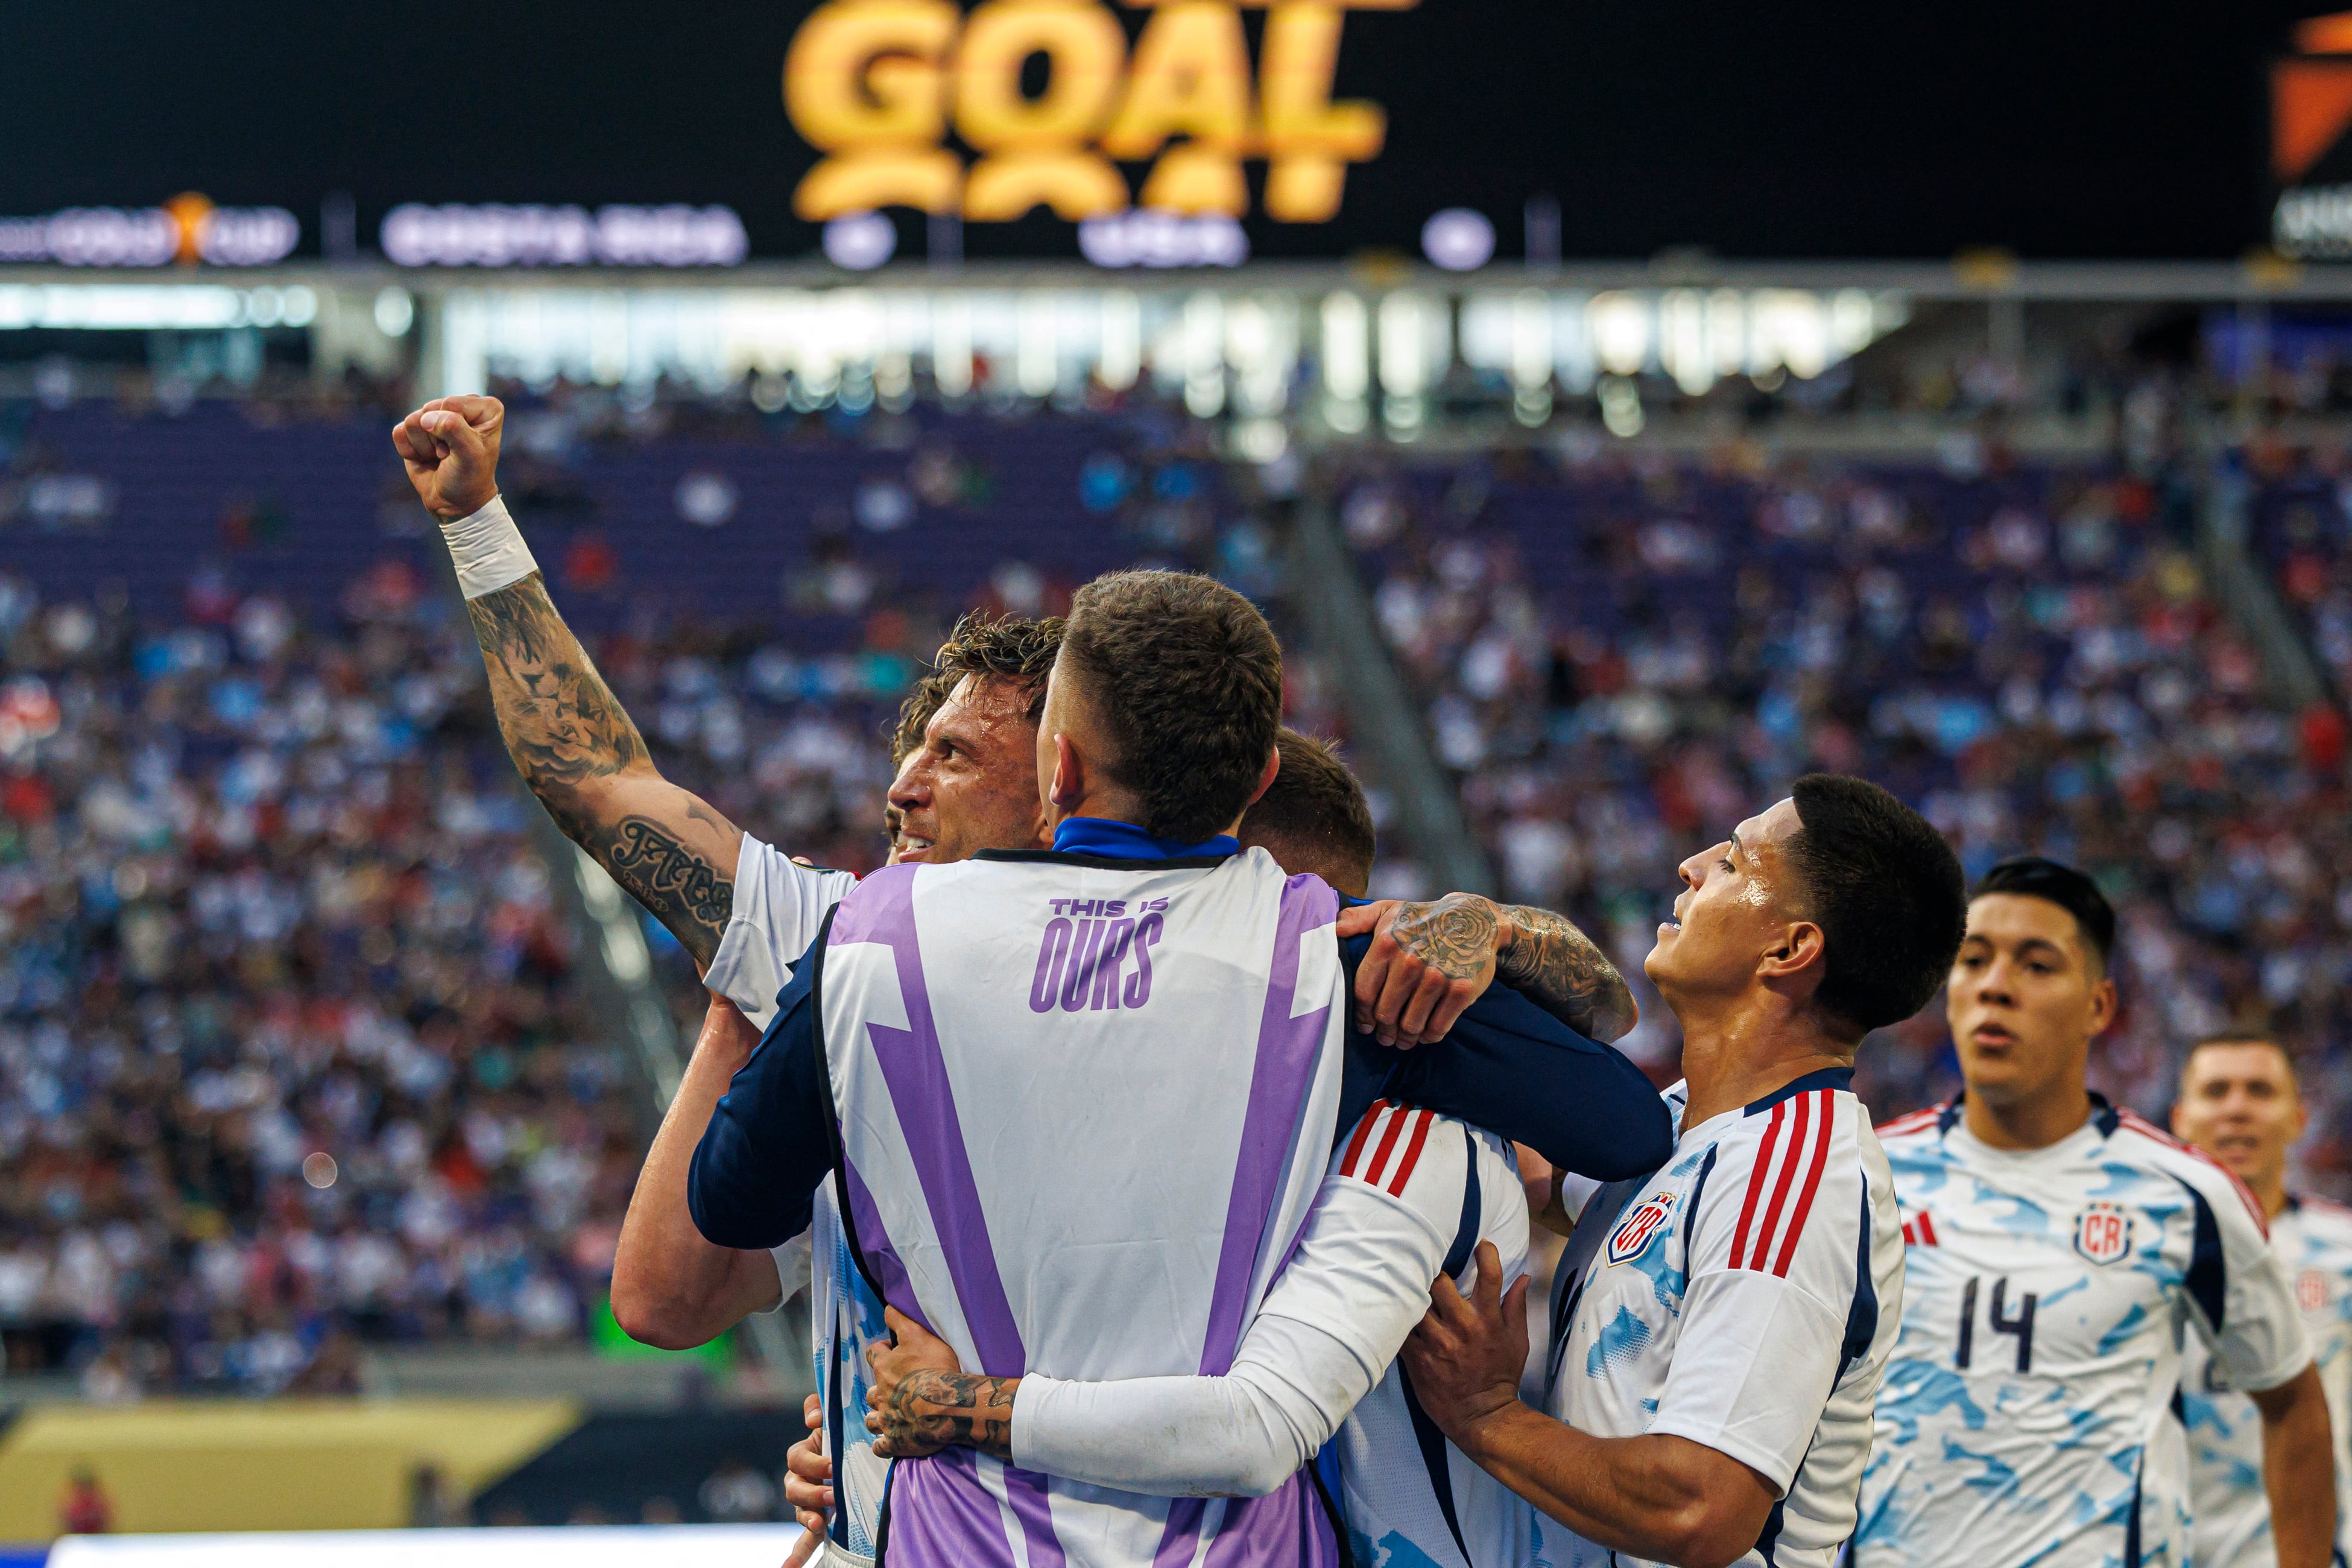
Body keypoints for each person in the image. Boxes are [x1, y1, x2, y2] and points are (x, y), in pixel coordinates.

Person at [393, 395, 1644, 1359]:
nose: (901, 785)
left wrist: (1485, 920)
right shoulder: (861, 927)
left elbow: (1596, 1069)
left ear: (1061, 772)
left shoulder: (865, 953)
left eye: (952, 753)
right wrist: (478, 525)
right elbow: (598, 781)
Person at [687, 569, 1672, 1565]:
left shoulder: (874, 945)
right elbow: (1626, 1130)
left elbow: (729, 1208)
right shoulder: (1337, 973)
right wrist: (1487, 926)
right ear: (1255, 785)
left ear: (1055, 771)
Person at [1394, 776, 1964, 1568]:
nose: (1692, 865)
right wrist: (1500, 931)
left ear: (1790, 949)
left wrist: (1488, 1416)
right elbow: (1532, 1159)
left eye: (1732, 863)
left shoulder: (1795, 1173)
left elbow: (1703, 1507)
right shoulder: (1692, 1123)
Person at [1853, 858, 2335, 1568]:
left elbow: (2292, 1402)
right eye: (1974, 960)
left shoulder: (2185, 1194)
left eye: (2037, 965)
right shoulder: (1865, 1171)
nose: (1995, 986)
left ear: (2099, 1007)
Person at [2172, 1032, 2352, 1568]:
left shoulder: (2344, 1249)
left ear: (2298, 1118)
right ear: (2180, 1118)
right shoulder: (2136, 1254)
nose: (2236, 1110)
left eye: (2259, 1091)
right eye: (2216, 1091)